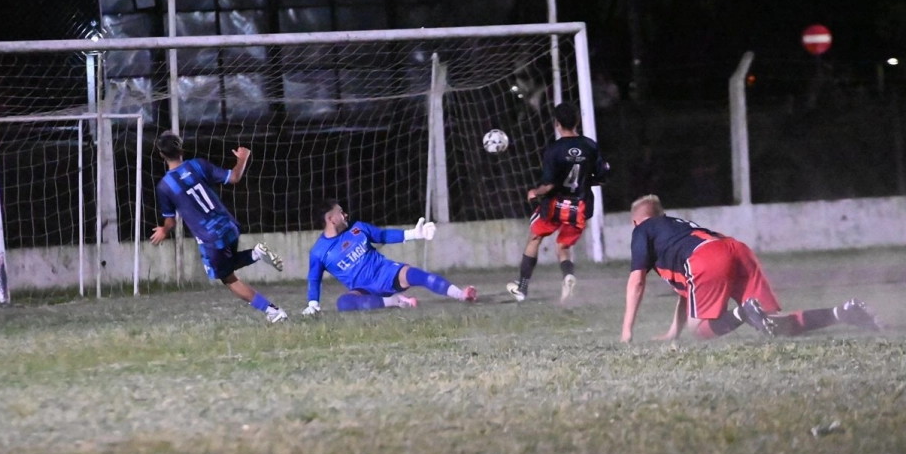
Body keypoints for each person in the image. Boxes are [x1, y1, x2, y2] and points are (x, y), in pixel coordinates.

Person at [621, 194, 882, 342]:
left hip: (706, 259)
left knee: (699, 330)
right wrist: (671, 333)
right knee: (776, 326)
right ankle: (844, 313)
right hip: (734, 249)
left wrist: (626, 332)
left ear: (637, 221)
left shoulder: (643, 229)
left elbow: (637, 283)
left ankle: (745, 312)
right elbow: (689, 291)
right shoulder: (675, 228)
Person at [149, 131, 288, 323]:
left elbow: (171, 222)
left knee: (227, 278)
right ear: (181, 149)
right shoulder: (198, 164)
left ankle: (273, 311)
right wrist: (243, 158)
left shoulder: (165, 186)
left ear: (162, 155)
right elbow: (234, 177)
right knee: (227, 266)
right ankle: (255, 254)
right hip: (229, 225)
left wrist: (164, 230)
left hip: (210, 238)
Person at [507, 102, 608, 303]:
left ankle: (522, 288)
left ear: (556, 124)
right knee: (562, 247)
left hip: (554, 206)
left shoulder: (554, 149)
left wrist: (535, 192)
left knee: (535, 238)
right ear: (577, 121)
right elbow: (602, 177)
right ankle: (568, 276)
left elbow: (549, 185)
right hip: (579, 207)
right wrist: (587, 180)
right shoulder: (590, 146)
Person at [302, 200, 477, 315]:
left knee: (419, 275)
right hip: (364, 289)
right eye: (341, 212)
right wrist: (312, 304)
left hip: (387, 273)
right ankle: (395, 301)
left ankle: (461, 294)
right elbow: (314, 279)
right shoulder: (319, 252)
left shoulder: (358, 228)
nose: (345, 214)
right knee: (344, 304)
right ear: (331, 219)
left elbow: (383, 236)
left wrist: (414, 234)